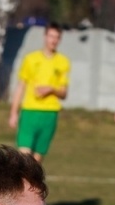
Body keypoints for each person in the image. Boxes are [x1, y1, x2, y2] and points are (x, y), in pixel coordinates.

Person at [8, 22, 69, 161]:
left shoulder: (63, 62)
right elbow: (21, 86)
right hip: (29, 111)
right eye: (51, 36)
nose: (53, 40)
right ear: (45, 36)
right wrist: (13, 113)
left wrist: (52, 89)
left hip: (50, 113)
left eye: (57, 37)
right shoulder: (30, 59)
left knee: (36, 161)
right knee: (24, 157)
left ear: (60, 39)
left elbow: (64, 93)